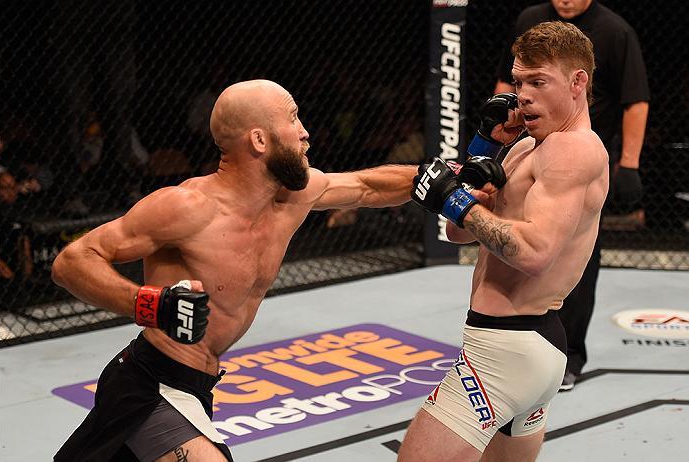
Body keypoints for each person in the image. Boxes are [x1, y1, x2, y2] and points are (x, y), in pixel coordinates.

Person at [51, 79, 416, 462]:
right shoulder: (188, 207)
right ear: (259, 140)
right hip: (150, 385)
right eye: (293, 118)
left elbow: (367, 186)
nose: (305, 132)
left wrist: (444, 176)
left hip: (196, 386)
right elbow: (72, 261)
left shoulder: (295, 196)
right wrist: (153, 306)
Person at [399, 21, 609, 461]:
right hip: (528, 345)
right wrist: (481, 152)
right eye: (518, 82)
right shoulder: (525, 147)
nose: (524, 94)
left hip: (504, 350)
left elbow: (534, 253)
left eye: (538, 81)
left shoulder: (573, 149)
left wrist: (458, 205)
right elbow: (459, 233)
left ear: (577, 82)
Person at [494, 0, 650, 390]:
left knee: (573, 251)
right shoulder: (530, 19)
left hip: (582, 150)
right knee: (514, 228)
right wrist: (493, 130)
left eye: (536, 82)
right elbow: (504, 80)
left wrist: (629, 162)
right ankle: (522, 339)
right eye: (521, 84)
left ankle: (568, 355)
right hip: (531, 142)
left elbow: (635, 99)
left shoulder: (615, 31)